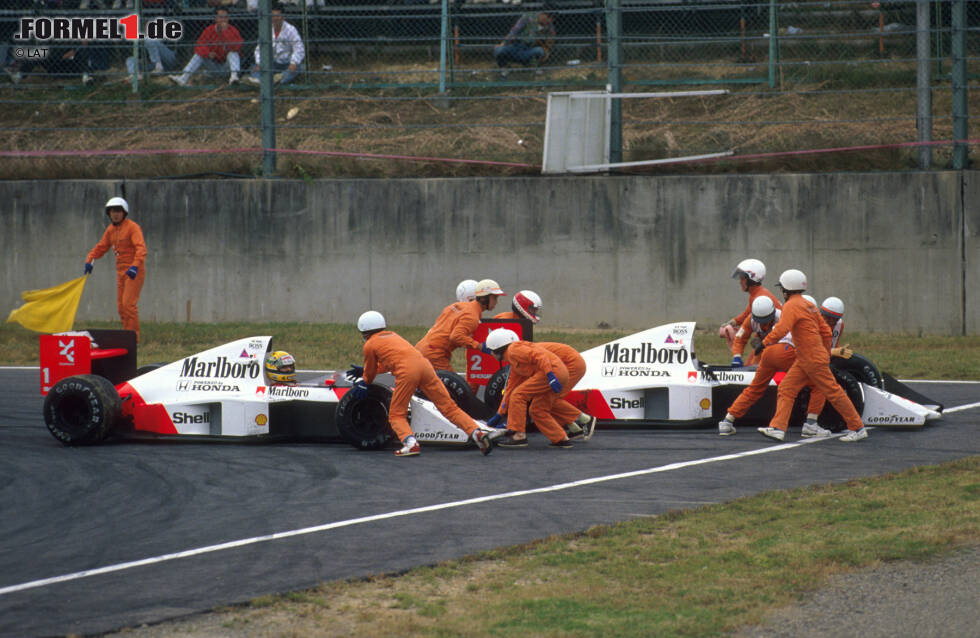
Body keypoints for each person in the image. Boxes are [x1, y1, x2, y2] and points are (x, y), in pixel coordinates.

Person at [349, 311, 492, 457]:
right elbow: (391, 362)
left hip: (407, 372)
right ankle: (476, 433)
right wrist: (365, 371)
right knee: (449, 407)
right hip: (425, 366)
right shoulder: (393, 335)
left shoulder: (369, 345)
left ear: (363, 331)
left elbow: (371, 373)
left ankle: (410, 443)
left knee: (396, 415)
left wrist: (364, 380)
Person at [757, 270, 868, 443]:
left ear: (787, 289)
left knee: (833, 392)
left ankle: (858, 428)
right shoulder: (808, 305)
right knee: (787, 388)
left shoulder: (791, 305)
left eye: (782, 289)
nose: (782, 292)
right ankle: (778, 428)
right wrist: (824, 353)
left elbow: (781, 329)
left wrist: (764, 343)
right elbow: (825, 330)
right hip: (807, 358)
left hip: (810, 358)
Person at [717, 297, 831, 439]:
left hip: (768, 352)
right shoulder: (806, 318)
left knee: (755, 388)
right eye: (760, 321)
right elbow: (741, 337)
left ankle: (727, 421)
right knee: (818, 384)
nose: (763, 324)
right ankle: (811, 424)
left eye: (766, 320)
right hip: (785, 352)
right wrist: (736, 356)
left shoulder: (784, 313)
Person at [483, 328, 573, 449]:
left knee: (518, 395)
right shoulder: (514, 361)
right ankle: (561, 439)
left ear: (498, 347)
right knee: (537, 410)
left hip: (552, 373)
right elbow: (509, 388)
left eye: (491, 351)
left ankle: (519, 435)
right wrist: (500, 413)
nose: (491, 354)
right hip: (557, 373)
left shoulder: (513, 350)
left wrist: (550, 375)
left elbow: (540, 356)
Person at [84, 197, 147, 343]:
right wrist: (90, 260)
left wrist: (135, 266)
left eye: (118, 211)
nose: (116, 214)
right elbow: (101, 247)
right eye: (113, 211)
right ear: (109, 213)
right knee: (121, 307)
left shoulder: (133, 227)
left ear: (124, 212)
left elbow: (141, 249)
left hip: (133, 272)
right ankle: (127, 336)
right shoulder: (111, 230)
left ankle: (134, 339)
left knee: (128, 305)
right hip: (121, 273)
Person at [415, 278, 506, 373]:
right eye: (494, 298)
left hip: (420, 348)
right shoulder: (472, 316)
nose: (496, 302)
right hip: (434, 354)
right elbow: (456, 337)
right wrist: (480, 347)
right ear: (484, 298)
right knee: (455, 387)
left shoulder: (456, 305)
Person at [720, 258, 782, 366]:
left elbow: (775, 328)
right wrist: (733, 322)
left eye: (742, 278)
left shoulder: (761, 297)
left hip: (777, 342)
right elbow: (746, 316)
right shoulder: (756, 295)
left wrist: (760, 339)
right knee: (749, 365)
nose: (740, 281)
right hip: (767, 339)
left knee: (755, 366)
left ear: (751, 278)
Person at [169, 8, 242, 87]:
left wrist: (225, 32)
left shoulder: (233, 30)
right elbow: (199, 46)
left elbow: (237, 47)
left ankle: (234, 78)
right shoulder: (209, 30)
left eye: (225, 17)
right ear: (216, 18)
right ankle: (183, 78)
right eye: (221, 17)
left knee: (233, 53)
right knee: (199, 55)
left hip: (227, 67)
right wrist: (208, 53)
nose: (223, 20)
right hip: (212, 66)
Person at [246, 5, 305, 86]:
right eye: (273, 16)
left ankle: (273, 80)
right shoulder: (266, 29)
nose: (275, 18)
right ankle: (264, 81)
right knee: (253, 68)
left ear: (283, 17)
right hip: (272, 62)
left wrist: (294, 63)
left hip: (287, 63)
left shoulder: (291, 30)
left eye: (278, 16)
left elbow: (299, 48)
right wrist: (260, 63)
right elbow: (259, 49)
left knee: (296, 69)